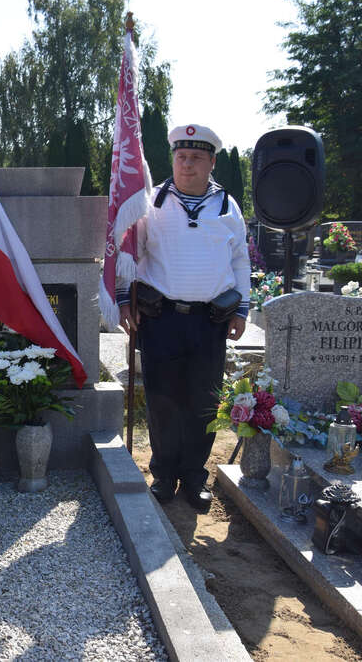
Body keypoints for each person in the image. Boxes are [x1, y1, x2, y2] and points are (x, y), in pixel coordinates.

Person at [118, 124, 250, 510]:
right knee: (162, 400)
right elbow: (131, 252)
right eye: (180, 157)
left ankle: (195, 477)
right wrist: (125, 299)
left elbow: (240, 259)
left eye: (195, 158)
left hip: (209, 322)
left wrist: (241, 308)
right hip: (160, 320)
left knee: (202, 402)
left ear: (211, 162)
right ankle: (163, 474)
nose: (186, 165)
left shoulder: (228, 206)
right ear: (172, 159)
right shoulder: (151, 202)